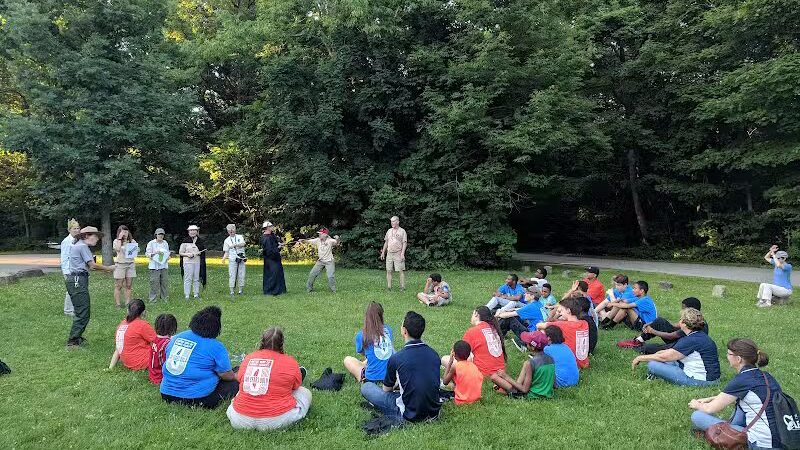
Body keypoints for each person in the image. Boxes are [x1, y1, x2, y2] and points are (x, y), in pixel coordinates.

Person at [690, 339, 785, 449]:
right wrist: (711, 398)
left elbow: (710, 409)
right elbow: (749, 395)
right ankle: (729, 428)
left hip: (762, 443)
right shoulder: (766, 376)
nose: (727, 356)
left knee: (697, 416)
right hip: (782, 438)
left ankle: (726, 433)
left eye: (729, 353)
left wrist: (696, 404)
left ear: (738, 359)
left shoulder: (742, 380)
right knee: (741, 404)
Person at [361, 311, 442, 425]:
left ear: (404, 331)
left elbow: (386, 390)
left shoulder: (397, 358)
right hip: (434, 412)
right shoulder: (434, 354)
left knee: (367, 387)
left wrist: (397, 384)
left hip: (410, 413)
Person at [227, 327, 312, 431]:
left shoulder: (249, 358)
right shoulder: (290, 362)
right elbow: (295, 386)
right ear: (282, 343)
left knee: (242, 390)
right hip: (275, 420)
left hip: (239, 419)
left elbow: (240, 379)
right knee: (305, 392)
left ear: (262, 341)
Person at [160, 306, 238, 408]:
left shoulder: (176, 338)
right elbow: (227, 375)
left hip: (166, 394)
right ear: (216, 327)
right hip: (196, 399)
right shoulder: (216, 346)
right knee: (236, 380)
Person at [631, 308, 720, 386]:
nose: (679, 321)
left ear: (684, 324)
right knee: (663, 360)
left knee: (652, 365)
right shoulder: (697, 335)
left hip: (702, 380)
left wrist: (640, 357)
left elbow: (665, 357)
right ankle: (658, 375)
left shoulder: (690, 340)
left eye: (680, 319)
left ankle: (655, 375)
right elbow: (671, 353)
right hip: (710, 377)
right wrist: (658, 354)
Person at [65, 226, 115, 348]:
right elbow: (92, 265)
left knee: (82, 310)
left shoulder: (79, 245)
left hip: (77, 279)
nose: (97, 239)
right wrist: (108, 268)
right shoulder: (82, 246)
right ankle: (73, 341)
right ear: (86, 235)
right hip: (77, 280)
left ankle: (77, 337)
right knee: (83, 311)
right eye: (95, 236)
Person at [617, 297, 707, 352]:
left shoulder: (693, 323)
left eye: (683, 308)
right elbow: (676, 325)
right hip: (681, 341)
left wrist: (652, 330)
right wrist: (652, 323)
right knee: (660, 320)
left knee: (650, 348)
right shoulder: (695, 317)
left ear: (690, 309)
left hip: (684, 347)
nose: (681, 310)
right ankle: (638, 341)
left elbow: (671, 336)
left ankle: (638, 347)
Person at [442, 306, 506, 380]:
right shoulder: (494, 329)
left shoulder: (473, 331)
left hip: (484, 373)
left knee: (444, 359)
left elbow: (463, 358)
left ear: (476, 314)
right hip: (500, 372)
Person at [490, 331, 555, 399]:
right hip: (547, 394)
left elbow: (524, 389)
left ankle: (502, 390)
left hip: (531, 395)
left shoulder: (530, 363)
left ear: (532, 347)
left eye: (527, 343)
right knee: (524, 366)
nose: (526, 343)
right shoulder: (551, 359)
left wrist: (506, 377)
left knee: (494, 377)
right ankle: (503, 388)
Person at [343, 302, 394, 383]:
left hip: (372, 379)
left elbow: (362, 353)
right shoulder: (389, 330)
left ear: (366, 317)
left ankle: (363, 374)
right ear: (381, 315)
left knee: (348, 360)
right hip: (391, 378)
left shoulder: (362, 335)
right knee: (372, 357)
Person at [536, 297, 590, 369]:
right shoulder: (584, 323)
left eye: (561, 310)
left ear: (568, 310)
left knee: (544, 331)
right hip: (584, 362)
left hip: (573, 364)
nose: (560, 313)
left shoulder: (563, 325)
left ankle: (537, 350)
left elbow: (539, 325)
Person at [108, 299, 156, 371]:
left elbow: (118, 348)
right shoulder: (142, 325)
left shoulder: (121, 325)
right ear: (144, 312)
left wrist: (110, 367)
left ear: (128, 311)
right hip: (143, 362)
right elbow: (158, 342)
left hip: (128, 362)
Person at [495, 286, 545, 352]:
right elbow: (519, 310)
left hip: (533, 337)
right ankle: (499, 335)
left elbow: (507, 315)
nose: (524, 294)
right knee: (516, 317)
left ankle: (495, 335)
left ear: (532, 296)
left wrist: (498, 314)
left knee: (509, 319)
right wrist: (506, 310)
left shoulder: (531, 307)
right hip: (539, 335)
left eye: (527, 293)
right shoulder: (538, 304)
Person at [297, 228, 340, 293]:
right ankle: (309, 289)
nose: (319, 235)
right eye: (319, 234)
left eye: (320, 234)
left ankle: (333, 290)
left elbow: (337, 243)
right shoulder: (317, 240)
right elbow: (308, 241)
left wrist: (337, 238)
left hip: (329, 261)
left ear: (325, 234)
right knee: (312, 274)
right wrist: (302, 240)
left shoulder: (330, 241)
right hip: (320, 261)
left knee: (330, 276)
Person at [441, 340, 482, 405]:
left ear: (454, 354)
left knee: (448, 379)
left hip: (462, 401)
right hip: (476, 399)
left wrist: (449, 363)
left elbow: (445, 382)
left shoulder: (455, 366)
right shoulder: (474, 366)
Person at [112, 225, 137, 308]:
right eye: (123, 232)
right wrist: (120, 238)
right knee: (119, 285)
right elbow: (118, 249)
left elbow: (135, 250)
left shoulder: (132, 241)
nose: (125, 233)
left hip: (130, 264)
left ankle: (128, 302)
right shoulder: (116, 241)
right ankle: (118, 304)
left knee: (129, 285)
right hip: (120, 264)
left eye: (126, 231)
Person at [380, 216, 408, 291]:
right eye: (391, 221)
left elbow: (404, 243)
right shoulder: (389, 231)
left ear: (398, 222)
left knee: (400, 270)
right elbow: (386, 242)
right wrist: (383, 252)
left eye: (394, 221)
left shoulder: (402, 231)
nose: (392, 223)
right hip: (389, 253)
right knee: (388, 270)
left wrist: (402, 253)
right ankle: (389, 287)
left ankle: (402, 287)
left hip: (398, 253)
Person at [60, 218, 81, 316]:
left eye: (78, 228)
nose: (77, 230)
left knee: (77, 290)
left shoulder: (78, 240)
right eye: (74, 228)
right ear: (69, 230)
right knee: (71, 290)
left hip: (77, 269)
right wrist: (66, 272)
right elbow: (64, 258)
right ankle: (68, 310)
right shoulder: (66, 241)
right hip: (69, 270)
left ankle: (75, 308)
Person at [149, 313, 177, 384]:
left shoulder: (155, 339)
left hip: (153, 373)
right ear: (172, 328)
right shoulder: (167, 344)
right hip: (160, 377)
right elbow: (165, 365)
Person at [179, 225, 205, 300]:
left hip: (197, 262)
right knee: (188, 278)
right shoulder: (185, 241)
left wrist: (199, 253)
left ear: (197, 231)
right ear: (188, 232)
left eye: (194, 230)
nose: (193, 232)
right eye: (191, 230)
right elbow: (181, 252)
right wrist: (188, 254)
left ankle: (196, 294)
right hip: (187, 263)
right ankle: (187, 295)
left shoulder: (200, 241)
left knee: (196, 278)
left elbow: (202, 251)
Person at [261, 221, 287, 295]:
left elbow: (276, 242)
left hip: (275, 258)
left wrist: (280, 244)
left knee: (278, 273)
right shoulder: (266, 238)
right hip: (271, 259)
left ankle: (279, 290)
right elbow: (269, 250)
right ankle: (271, 291)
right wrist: (278, 248)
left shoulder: (271, 235)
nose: (273, 227)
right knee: (272, 275)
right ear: (267, 228)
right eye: (271, 226)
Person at [145, 228, 170, 303]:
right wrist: (154, 253)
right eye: (159, 234)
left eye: (162, 234)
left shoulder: (165, 243)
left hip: (164, 266)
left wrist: (167, 256)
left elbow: (167, 252)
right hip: (154, 266)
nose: (161, 236)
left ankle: (164, 298)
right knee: (154, 283)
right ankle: (153, 299)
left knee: (164, 283)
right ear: (156, 235)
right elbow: (147, 253)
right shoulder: (151, 243)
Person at [222, 224, 247, 296]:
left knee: (241, 274)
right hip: (232, 259)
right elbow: (226, 252)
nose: (231, 231)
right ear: (227, 231)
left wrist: (235, 245)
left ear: (235, 229)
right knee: (232, 275)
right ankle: (232, 291)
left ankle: (240, 290)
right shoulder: (226, 240)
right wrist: (223, 259)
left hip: (241, 258)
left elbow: (243, 244)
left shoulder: (240, 236)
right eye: (229, 230)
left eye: (232, 229)